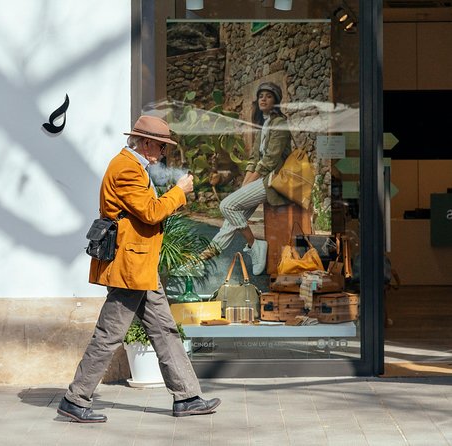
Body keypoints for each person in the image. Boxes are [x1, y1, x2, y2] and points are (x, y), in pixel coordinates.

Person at [57, 115, 221, 423]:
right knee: (109, 335)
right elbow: (151, 212)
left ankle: (187, 397)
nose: (162, 153)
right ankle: (75, 399)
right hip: (129, 267)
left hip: (140, 266)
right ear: (145, 143)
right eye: (160, 146)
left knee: (165, 331)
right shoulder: (125, 169)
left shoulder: (133, 166)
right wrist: (179, 191)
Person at [202, 82, 292, 275]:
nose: (263, 99)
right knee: (234, 217)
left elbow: (269, 160)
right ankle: (206, 256)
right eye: (261, 96)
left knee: (227, 206)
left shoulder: (280, 124)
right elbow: (254, 159)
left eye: (268, 96)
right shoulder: (264, 126)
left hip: (275, 182)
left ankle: (254, 244)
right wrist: (245, 185)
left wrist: (246, 186)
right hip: (263, 180)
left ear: (276, 101)